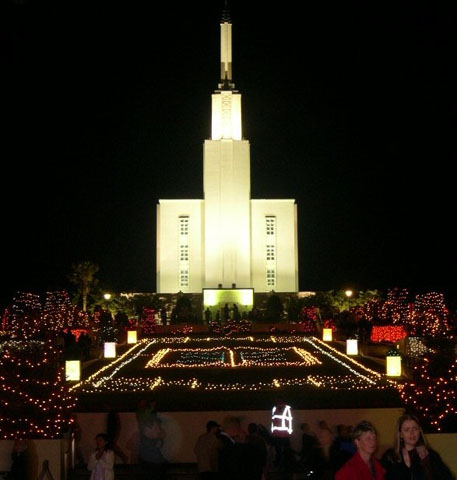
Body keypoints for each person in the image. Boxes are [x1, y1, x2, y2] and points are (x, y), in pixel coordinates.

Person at [382, 413, 455, 480]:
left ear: (419, 431)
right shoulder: (390, 457)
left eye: (415, 429)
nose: (412, 433)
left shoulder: (431, 455)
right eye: (407, 430)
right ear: (400, 434)